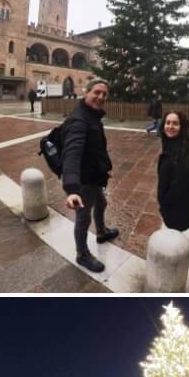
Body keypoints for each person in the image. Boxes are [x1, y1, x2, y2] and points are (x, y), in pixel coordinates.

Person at [61, 78, 118, 274]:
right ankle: (82, 254)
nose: (101, 97)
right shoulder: (80, 120)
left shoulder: (92, 115)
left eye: (104, 94)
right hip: (84, 182)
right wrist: (71, 189)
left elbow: (96, 147)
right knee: (83, 219)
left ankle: (101, 231)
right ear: (86, 92)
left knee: (101, 204)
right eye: (97, 92)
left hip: (95, 176)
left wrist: (104, 167)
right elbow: (72, 153)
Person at [156, 111, 189, 233]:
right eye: (167, 122)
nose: (170, 126)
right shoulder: (172, 145)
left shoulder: (184, 152)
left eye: (175, 123)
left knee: (174, 244)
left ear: (182, 127)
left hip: (177, 212)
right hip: (174, 209)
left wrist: (163, 203)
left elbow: (180, 185)